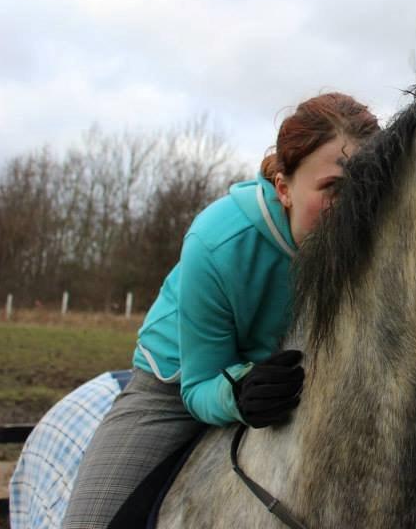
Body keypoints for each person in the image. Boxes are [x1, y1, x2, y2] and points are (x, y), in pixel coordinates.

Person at [61, 93, 380, 529]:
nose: (351, 209)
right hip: (177, 386)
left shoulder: (371, 242)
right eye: (332, 188)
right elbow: (199, 386)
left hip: (293, 386)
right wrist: (240, 392)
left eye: (363, 189)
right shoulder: (217, 241)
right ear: (284, 188)